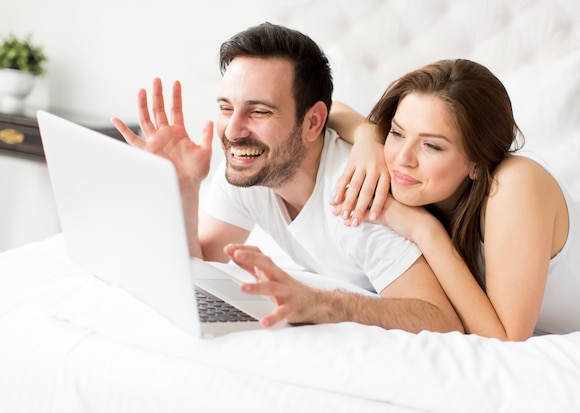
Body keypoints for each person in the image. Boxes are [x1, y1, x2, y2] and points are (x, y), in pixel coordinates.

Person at [111, 23, 463, 334]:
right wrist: (185, 190)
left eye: (259, 111)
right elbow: (202, 268)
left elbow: (440, 318)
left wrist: (324, 305)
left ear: (313, 122)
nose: (233, 131)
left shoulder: (359, 197)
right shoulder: (250, 169)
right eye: (225, 108)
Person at [328, 59, 580, 341]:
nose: (402, 159)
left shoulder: (514, 183)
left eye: (431, 146)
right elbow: (330, 110)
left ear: (476, 162)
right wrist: (367, 138)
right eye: (396, 132)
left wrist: (426, 231)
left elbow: (506, 338)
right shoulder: (409, 167)